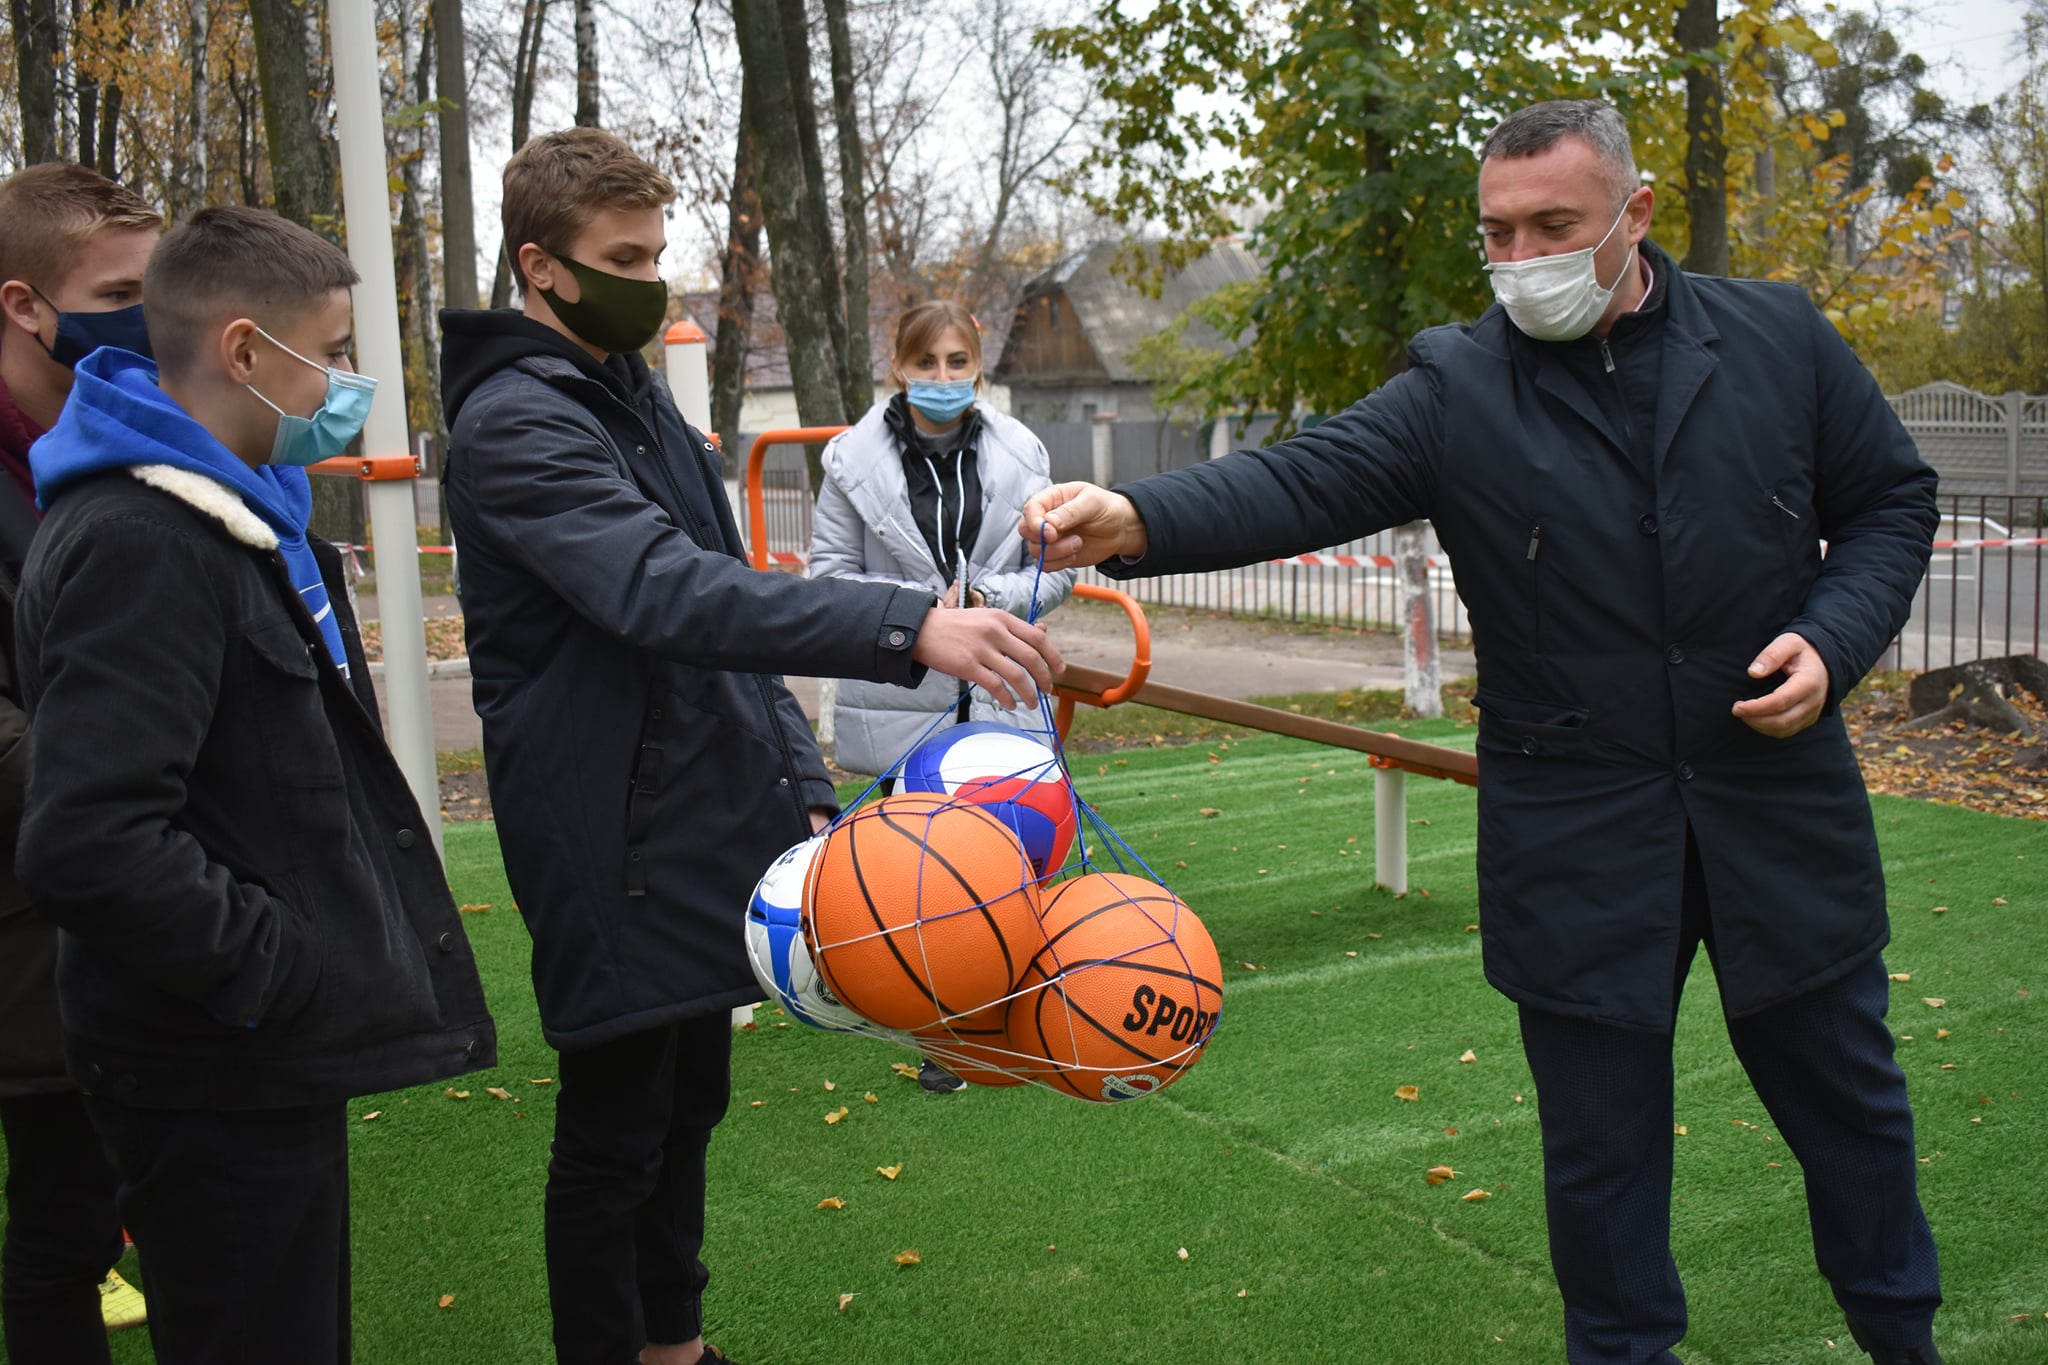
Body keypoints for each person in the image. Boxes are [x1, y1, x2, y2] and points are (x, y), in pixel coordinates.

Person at [1022, 99, 1942, 1365]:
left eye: (1551, 228)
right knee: (1599, 1156)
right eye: (1495, 236)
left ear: (1635, 215)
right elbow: (1303, 475)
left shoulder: (1776, 336)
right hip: (1575, 831)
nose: (1520, 263)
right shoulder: (1458, 382)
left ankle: (1902, 1338)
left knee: (1852, 1112)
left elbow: (1890, 500)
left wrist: (1835, 641)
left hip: (1775, 805)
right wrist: (1134, 513)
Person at [439, 127, 1062, 1365]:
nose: (649, 278)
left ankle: (672, 1345)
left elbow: (724, 605)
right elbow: (661, 592)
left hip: (696, 805)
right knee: (617, 1121)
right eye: (622, 257)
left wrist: (795, 784)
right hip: (604, 824)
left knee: (687, 1099)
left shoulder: (636, 405)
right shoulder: (517, 422)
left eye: (657, 252)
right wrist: (908, 625)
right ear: (539, 267)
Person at [14, 205, 498, 1365]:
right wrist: (281, 967)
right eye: (330, 353)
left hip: (244, 1056)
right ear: (243, 352)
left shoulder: (228, 519)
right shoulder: (145, 539)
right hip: (210, 1061)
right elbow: (92, 839)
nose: (346, 382)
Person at [810, 301, 1078, 1091]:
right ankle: (924, 1020)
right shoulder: (850, 461)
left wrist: (986, 595)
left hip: (998, 688)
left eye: (957, 363)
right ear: (898, 366)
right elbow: (826, 580)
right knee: (917, 874)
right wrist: (918, 615)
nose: (942, 379)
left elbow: (1055, 564)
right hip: (901, 687)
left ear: (978, 368)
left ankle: (1005, 1019)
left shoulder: (1021, 451)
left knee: (1011, 858)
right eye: (926, 364)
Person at [0, 160, 160, 1362]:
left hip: (141, 912)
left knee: (138, 1208)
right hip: (34, 914)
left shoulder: (135, 442)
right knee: (61, 1229)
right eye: (120, 290)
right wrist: (126, 787)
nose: (150, 319)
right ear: (24, 305)